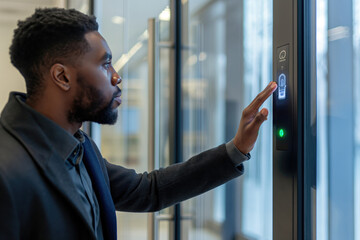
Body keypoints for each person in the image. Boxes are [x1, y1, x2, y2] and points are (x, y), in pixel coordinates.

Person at [0, 8, 277, 240]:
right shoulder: (8, 168)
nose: (116, 77)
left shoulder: (79, 147)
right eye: (105, 64)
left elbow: (148, 190)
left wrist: (236, 149)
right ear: (62, 76)